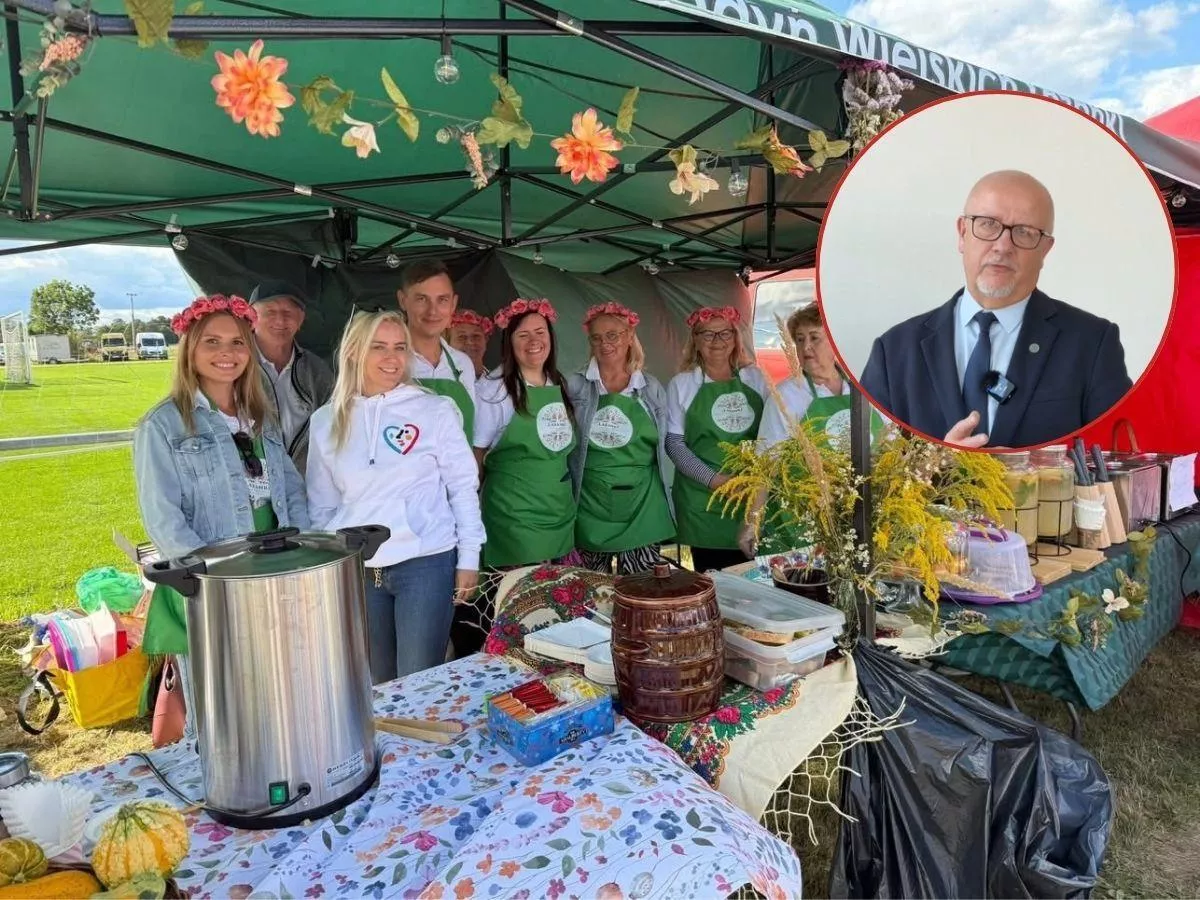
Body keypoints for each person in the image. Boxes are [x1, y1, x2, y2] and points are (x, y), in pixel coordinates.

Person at [133, 294, 309, 741]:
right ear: (190, 349)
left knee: (277, 693)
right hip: (213, 585)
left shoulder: (258, 417)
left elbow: (290, 488)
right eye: (212, 342)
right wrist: (208, 574)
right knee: (221, 707)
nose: (226, 353)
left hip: (273, 574)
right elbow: (162, 516)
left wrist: (301, 549)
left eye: (237, 342)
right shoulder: (163, 425)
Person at [860, 169, 1133, 449]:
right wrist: (936, 468)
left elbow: (1114, 456)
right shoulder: (893, 351)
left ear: (1045, 250)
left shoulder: (1093, 344)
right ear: (962, 233)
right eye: (988, 224)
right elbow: (866, 469)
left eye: (1025, 232)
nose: (1003, 246)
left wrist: (1029, 469)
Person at [306, 310, 484, 683]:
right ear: (354, 351)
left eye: (400, 347)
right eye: (379, 347)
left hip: (425, 562)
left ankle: (425, 742)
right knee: (376, 681)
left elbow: (463, 485)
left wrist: (469, 555)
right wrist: (331, 568)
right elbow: (321, 505)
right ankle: (387, 744)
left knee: (419, 679)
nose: (392, 358)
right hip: (359, 568)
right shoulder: (326, 420)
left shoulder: (433, 409)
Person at [567, 301, 675, 575]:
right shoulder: (574, 386)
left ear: (629, 336)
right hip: (590, 503)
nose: (605, 344)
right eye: (597, 338)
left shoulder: (650, 388)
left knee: (642, 591)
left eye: (613, 335)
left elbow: (667, 446)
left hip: (643, 502)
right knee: (588, 592)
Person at [474, 298, 578, 569]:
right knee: (525, 601)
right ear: (509, 342)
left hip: (558, 509)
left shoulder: (557, 382)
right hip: (515, 514)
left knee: (559, 599)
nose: (533, 341)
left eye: (540, 332)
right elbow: (477, 455)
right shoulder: (493, 391)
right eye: (523, 334)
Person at [666, 305, 767, 574]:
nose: (717, 341)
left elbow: (771, 437)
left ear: (735, 339)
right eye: (707, 335)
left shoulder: (756, 379)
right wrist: (715, 481)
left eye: (724, 333)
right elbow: (674, 444)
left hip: (751, 496)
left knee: (755, 581)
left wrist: (752, 484)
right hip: (703, 499)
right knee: (713, 582)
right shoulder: (682, 383)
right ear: (695, 341)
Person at [248, 280, 335, 477]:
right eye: (270, 312)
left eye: (288, 313)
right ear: (251, 317)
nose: (280, 321)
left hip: (304, 486)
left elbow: (333, 429)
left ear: (301, 319)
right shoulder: (234, 365)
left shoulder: (317, 370)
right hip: (252, 489)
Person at [397, 259, 477, 438]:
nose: (432, 311)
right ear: (403, 300)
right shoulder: (390, 363)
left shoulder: (462, 364)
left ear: (453, 304)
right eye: (421, 299)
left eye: (442, 300)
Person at [448, 309, 494, 378]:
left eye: (476, 335)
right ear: (447, 343)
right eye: (462, 336)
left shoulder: (500, 383)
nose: (470, 342)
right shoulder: (438, 383)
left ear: (486, 340)